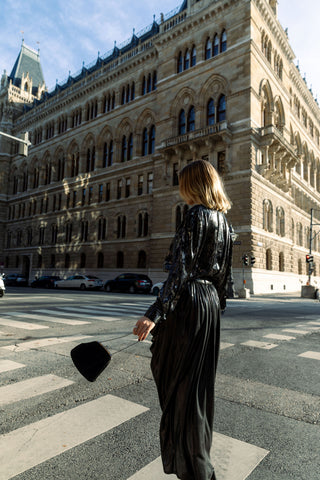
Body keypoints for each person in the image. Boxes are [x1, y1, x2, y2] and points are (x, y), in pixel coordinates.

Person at [133, 159, 233, 480]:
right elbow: (224, 281)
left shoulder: (195, 216)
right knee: (200, 391)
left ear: (191, 185)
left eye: (182, 183)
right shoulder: (226, 224)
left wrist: (154, 314)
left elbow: (180, 270)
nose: (179, 189)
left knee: (181, 390)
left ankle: (196, 471)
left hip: (189, 302)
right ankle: (199, 463)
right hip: (210, 307)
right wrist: (213, 311)